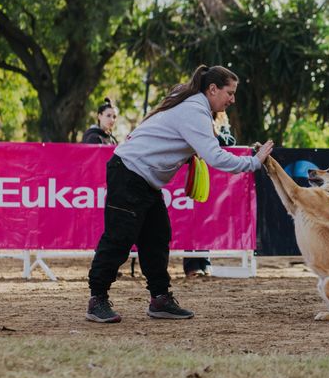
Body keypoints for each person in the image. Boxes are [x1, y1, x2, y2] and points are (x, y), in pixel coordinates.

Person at [85, 65, 273, 323]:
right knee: (118, 239)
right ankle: (97, 299)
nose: (232, 99)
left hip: (141, 178)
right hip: (129, 173)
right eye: (229, 93)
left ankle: (160, 299)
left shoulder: (193, 106)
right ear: (213, 89)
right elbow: (215, 156)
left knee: (157, 238)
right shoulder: (194, 110)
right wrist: (254, 162)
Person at [182, 111, 237, 278]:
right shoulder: (193, 116)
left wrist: (216, 133)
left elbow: (230, 142)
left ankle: (204, 261)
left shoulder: (221, 122)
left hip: (213, 179)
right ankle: (191, 264)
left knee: (206, 219)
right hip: (195, 174)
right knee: (192, 219)